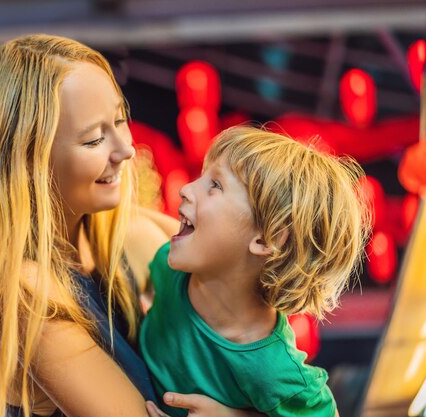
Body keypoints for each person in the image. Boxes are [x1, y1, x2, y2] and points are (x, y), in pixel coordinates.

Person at [0, 34, 263, 417]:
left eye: (121, 120)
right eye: (94, 139)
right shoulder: (25, 296)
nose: (126, 148)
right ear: (29, 161)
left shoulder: (128, 233)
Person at [140, 126, 371, 417]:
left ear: (266, 239)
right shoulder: (169, 266)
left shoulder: (273, 371)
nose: (185, 189)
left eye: (215, 185)